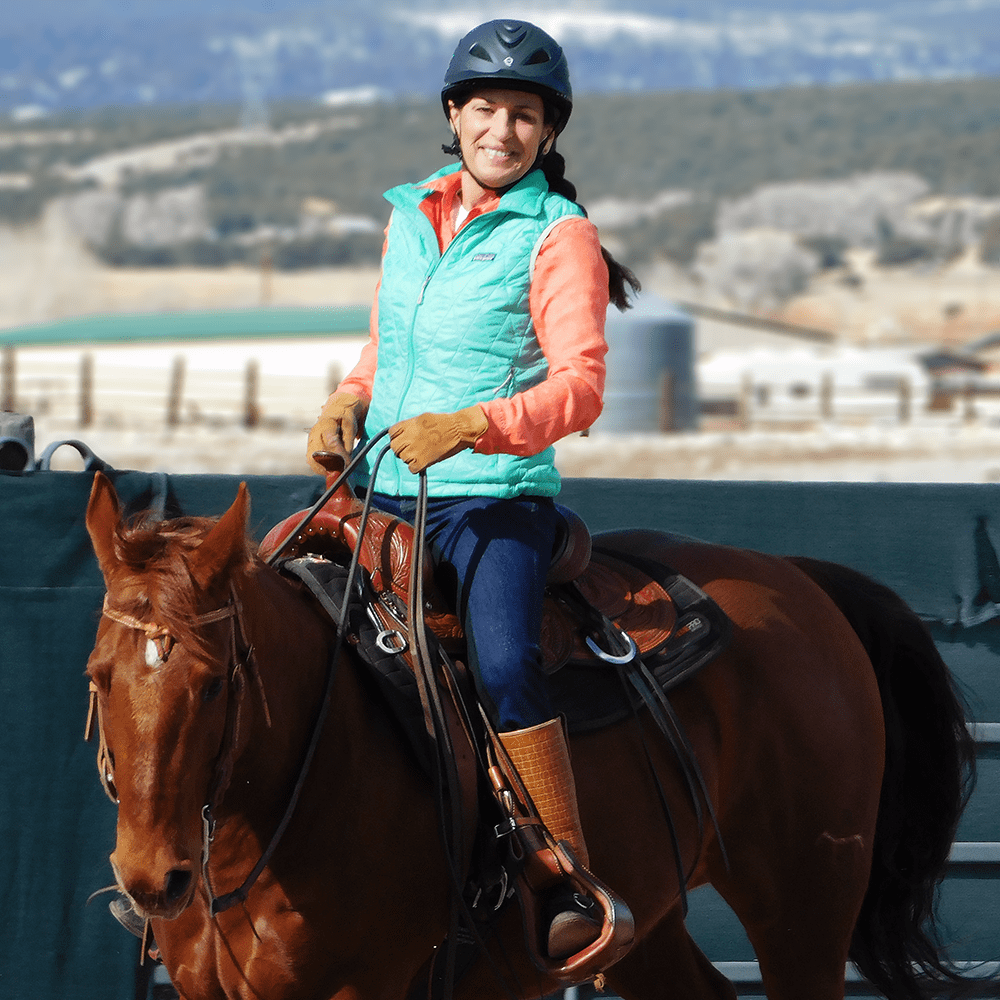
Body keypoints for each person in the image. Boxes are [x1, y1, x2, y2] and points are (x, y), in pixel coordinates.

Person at [306, 18, 639, 961]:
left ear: (548, 132)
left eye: (525, 115)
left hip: (494, 500)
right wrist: (348, 395)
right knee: (260, 608)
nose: (503, 128)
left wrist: (473, 427)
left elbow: (582, 387)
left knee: (500, 664)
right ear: (453, 116)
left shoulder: (561, 235)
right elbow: (389, 345)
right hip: (382, 487)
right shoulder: (408, 215)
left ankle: (565, 879)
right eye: (486, 107)